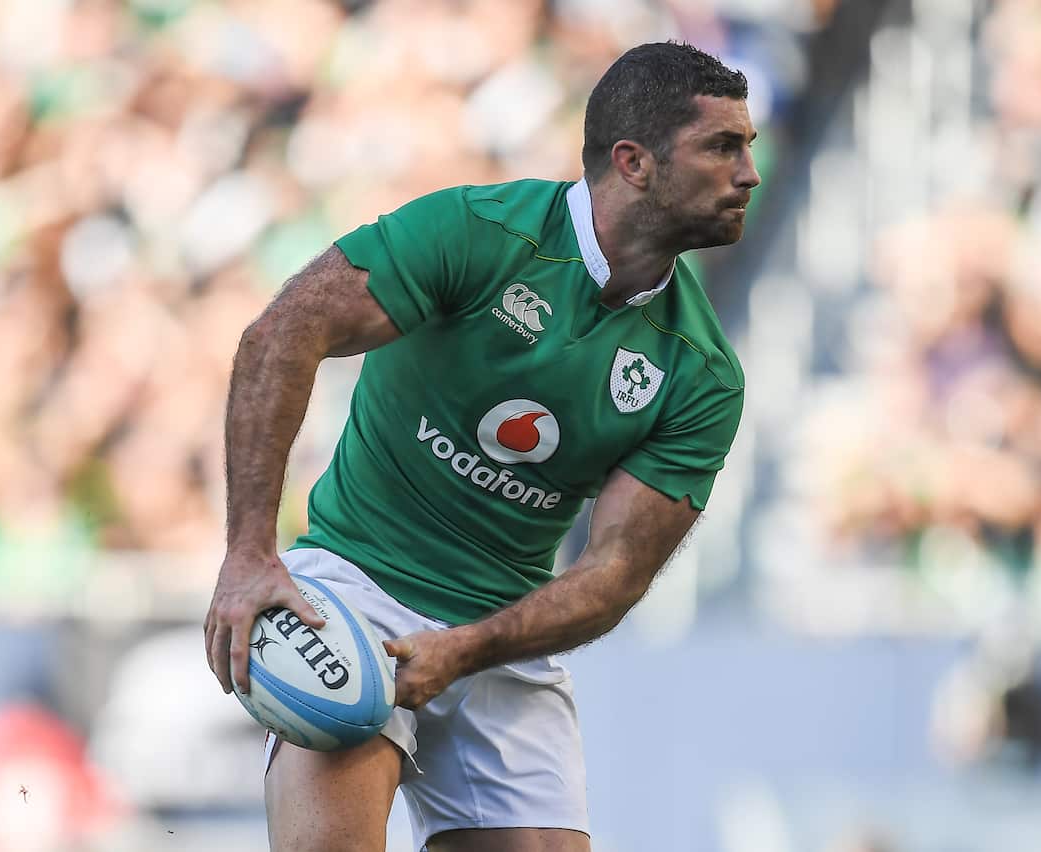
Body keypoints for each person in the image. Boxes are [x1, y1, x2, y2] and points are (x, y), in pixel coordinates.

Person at [203, 41, 760, 852]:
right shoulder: (478, 233)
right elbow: (283, 334)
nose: (749, 173)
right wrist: (249, 551)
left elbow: (613, 574)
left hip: (501, 636)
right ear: (633, 162)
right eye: (723, 147)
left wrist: (468, 649)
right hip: (356, 593)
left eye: (748, 147)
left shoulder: (703, 370)